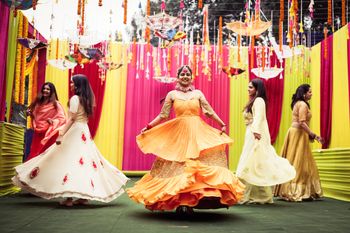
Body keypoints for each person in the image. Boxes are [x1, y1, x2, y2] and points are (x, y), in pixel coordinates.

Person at [127, 65, 245, 214]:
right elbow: (163, 115)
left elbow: (208, 111)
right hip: (179, 134)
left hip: (197, 132)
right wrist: (149, 126)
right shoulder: (172, 94)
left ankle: (190, 201)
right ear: (178, 77)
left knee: (194, 165)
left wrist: (221, 123)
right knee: (179, 165)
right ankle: (180, 202)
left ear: (191, 77)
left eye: (188, 74)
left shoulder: (198, 93)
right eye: (182, 74)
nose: (185, 76)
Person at [13, 74, 128, 206]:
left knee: (69, 162)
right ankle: (83, 197)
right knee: (84, 163)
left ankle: (68, 198)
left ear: (78, 85)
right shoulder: (87, 99)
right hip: (84, 131)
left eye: (72, 83)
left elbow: (71, 119)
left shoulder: (74, 99)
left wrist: (61, 133)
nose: (71, 85)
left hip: (75, 131)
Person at [236, 78, 296, 204]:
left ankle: (256, 195)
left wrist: (256, 131)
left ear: (258, 89)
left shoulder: (259, 100)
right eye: (248, 87)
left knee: (253, 162)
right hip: (250, 133)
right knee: (252, 162)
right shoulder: (253, 100)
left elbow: (259, 117)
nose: (248, 89)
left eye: (251, 87)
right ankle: (253, 194)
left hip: (255, 133)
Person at [274, 84, 323, 201]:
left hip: (295, 133)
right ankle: (294, 190)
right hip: (298, 133)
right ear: (304, 93)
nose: (311, 94)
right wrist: (314, 135)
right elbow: (302, 122)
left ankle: (288, 188)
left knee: (293, 160)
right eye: (310, 92)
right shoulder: (303, 105)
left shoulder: (298, 103)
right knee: (298, 162)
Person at [25, 82, 66, 161]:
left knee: (43, 154)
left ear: (52, 91)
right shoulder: (38, 103)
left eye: (48, 89)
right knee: (34, 153)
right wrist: (29, 113)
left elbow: (62, 118)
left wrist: (53, 121)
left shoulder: (56, 104)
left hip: (47, 133)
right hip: (37, 133)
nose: (45, 90)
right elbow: (34, 114)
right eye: (44, 88)